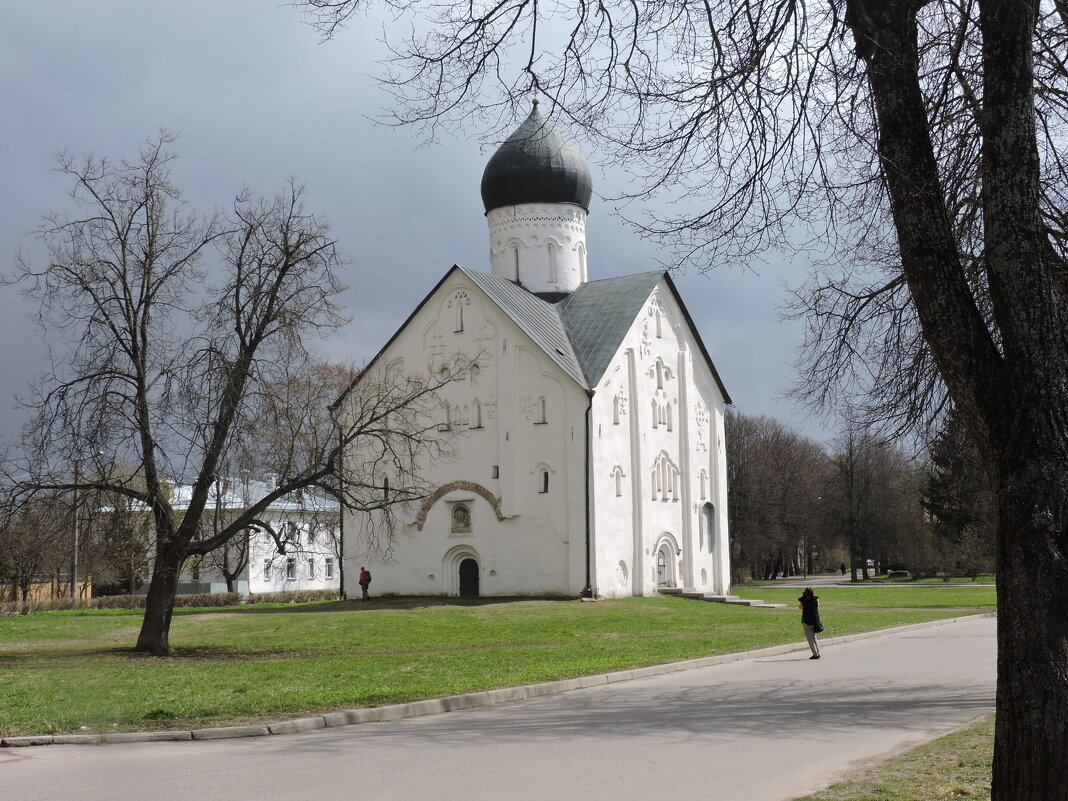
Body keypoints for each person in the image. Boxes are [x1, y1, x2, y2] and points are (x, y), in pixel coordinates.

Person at [798, 587, 822, 659]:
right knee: (814, 637)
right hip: (815, 621)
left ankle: (815, 654)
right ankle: (817, 652)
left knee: (810, 639)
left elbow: (800, 607)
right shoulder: (816, 600)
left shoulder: (804, 600)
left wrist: (803, 597)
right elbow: (817, 605)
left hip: (806, 622)